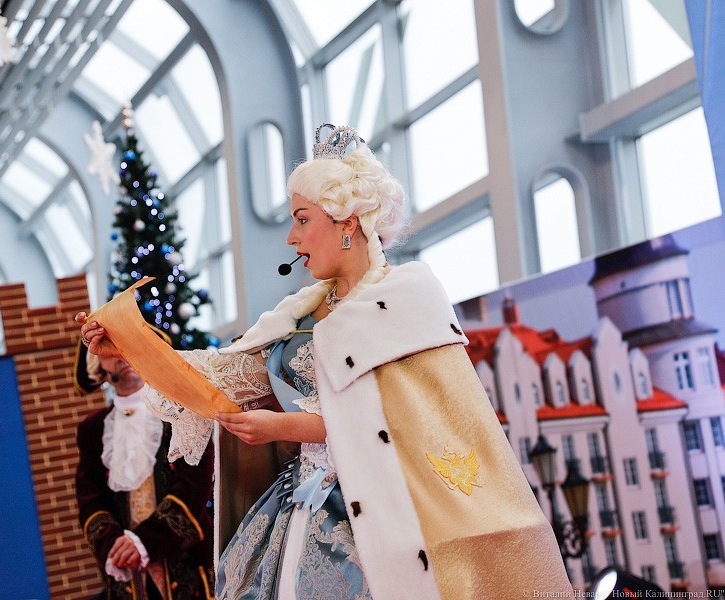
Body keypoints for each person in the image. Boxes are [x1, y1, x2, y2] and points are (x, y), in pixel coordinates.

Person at [79, 124, 571, 599]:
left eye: (302, 219)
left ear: (347, 223)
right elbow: (222, 376)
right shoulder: (297, 314)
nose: (291, 239)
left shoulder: (408, 297)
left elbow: (406, 423)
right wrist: (128, 347)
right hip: (301, 507)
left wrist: (284, 427)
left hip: (389, 515)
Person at [73, 342, 215, 600]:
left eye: (126, 345)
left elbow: (195, 484)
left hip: (185, 562)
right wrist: (113, 544)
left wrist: (144, 541)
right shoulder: (92, 430)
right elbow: (90, 499)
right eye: (109, 351)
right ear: (98, 367)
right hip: (128, 573)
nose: (121, 355)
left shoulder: (180, 411)